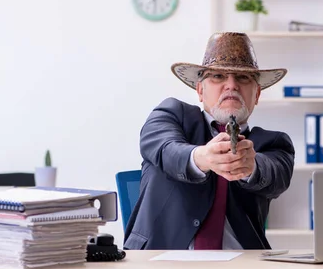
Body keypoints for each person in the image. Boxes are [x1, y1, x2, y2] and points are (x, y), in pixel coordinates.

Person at [123, 32, 295, 250]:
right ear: (200, 90)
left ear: (257, 94)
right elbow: (164, 149)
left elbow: (275, 174)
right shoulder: (171, 114)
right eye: (218, 77)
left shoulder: (275, 143)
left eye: (243, 78)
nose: (231, 85)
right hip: (160, 264)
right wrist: (202, 157)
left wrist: (251, 166)